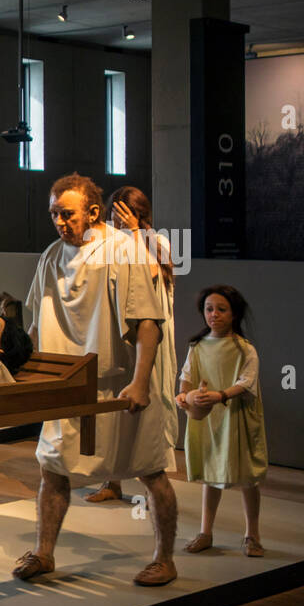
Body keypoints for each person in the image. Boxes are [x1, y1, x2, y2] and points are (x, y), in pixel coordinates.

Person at [15, 172, 178, 586]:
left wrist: (141, 382)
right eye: (54, 214)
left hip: (119, 383)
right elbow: (36, 324)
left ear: (91, 210)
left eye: (67, 214)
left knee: (150, 470)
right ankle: (44, 553)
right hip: (69, 386)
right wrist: (22, 373)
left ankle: (165, 558)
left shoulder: (125, 251)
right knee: (52, 468)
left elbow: (148, 325)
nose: (59, 222)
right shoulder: (52, 256)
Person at [87, 186, 179, 504]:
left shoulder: (158, 242)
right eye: (113, 212)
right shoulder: (111, 244)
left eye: (122, 212)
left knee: (148, 407)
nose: (116, 219)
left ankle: (152, 477)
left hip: (148, 339)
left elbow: (150, 273)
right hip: (120, 336)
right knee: (116, 407)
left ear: (137, 213)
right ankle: (112, 482)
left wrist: (135, 233)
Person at [177, 286, 268, 557]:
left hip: (236, 418)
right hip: (209, 418)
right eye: (209, 309)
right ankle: (206, 532)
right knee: (210, 473)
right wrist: (184, 396)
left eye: (221, 309)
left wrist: (220, 395)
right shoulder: (198, 346)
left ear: (233, 313)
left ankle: (252, 534)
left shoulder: (244, 349)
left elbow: (246, 382)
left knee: (247, 477)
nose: (213, 314)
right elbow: (187, 376)